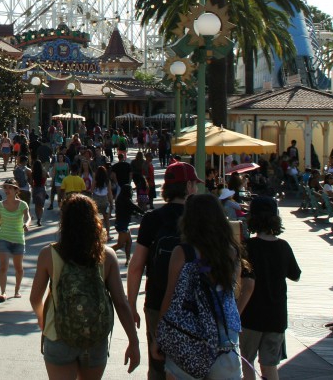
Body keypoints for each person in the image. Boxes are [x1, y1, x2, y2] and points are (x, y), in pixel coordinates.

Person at [29, 193, 140, 379]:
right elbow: (121, 302)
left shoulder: (48, 254)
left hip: (58, 336)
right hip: (94, 339)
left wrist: (43, 321)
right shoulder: (107, 255)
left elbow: (35, 298)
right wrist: (133, 342)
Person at [153, 193, 252, 380]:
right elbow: (235, 291)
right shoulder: (231, 252)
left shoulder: (182, 252)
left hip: (187, 333)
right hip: (224, 334)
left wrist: (160, 335)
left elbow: (171, 296)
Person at [126, 161, 201, 380]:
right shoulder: (201, 219)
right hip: (194, 305)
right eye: (194, 184)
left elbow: (137, 265)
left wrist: (132, 304)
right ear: (188, 186)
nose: (196, 189)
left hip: (157, 303)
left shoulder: (153, 219)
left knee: (158, 364)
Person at [240, 196, 301, 380]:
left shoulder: (247, 247)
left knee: (247, 362)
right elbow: (295, 275)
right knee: (269, 366)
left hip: (251, 315)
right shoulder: (283, 247)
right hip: (276, 315)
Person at [0, 179, 31, 301]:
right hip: (4, 237)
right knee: (3, 266)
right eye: (6, 188)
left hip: (18, 238)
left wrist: (27, 224)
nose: (7, 190)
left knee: (18, 267)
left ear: (16, 190)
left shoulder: (22, 204)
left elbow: (28, 216)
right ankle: (3, 292)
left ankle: (17, 289)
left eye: (10, 188)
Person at [110, 152, 136, 264]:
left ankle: (127, 260)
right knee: (121, 244)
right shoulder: (125, 200)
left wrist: (116, 182)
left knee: (129, 242)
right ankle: (105, 253)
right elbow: (133, 206)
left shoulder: (121, 199)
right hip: (122, 224)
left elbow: (113, 175)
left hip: (122, 223)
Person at [90, 167, 113, 240]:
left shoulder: (95, 180)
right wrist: (111, 203)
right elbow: (109, 193)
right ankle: (108, 234)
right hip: (105, 201)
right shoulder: (107, 181)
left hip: (96, 200)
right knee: (106, 219)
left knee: (96, 218)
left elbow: (92, 190)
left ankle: (97, 234)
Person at [30, 159, 48, 226]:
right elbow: (47, 176)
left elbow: (31, 182)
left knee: (36, 205)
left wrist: (32, 187)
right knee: (41, 205)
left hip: (35, 189)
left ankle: (38, 218)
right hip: (42, 188)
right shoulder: (43, 172)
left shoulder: (33, 173)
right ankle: (40, 219)